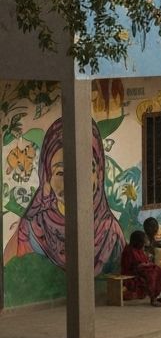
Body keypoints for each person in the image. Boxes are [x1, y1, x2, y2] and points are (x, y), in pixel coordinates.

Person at [6, 117, 124, 274]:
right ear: (47, 178)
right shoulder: (32, 231)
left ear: (100, 174)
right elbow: (9, 270)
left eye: (87, 170)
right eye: (61, 172)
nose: (74, 182)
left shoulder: (110, 233)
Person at [119, 230, 161, 306]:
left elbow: (144, 262)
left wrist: (148, 265)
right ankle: (153, 299)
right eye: (143, 242)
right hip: (132, 273)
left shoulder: (139, 249)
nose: (144, 244)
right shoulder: (129, 250)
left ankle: (158, 296)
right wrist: (147, 266)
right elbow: (133, 266)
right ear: (138, 241)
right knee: (152, 275)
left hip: (140, 271)